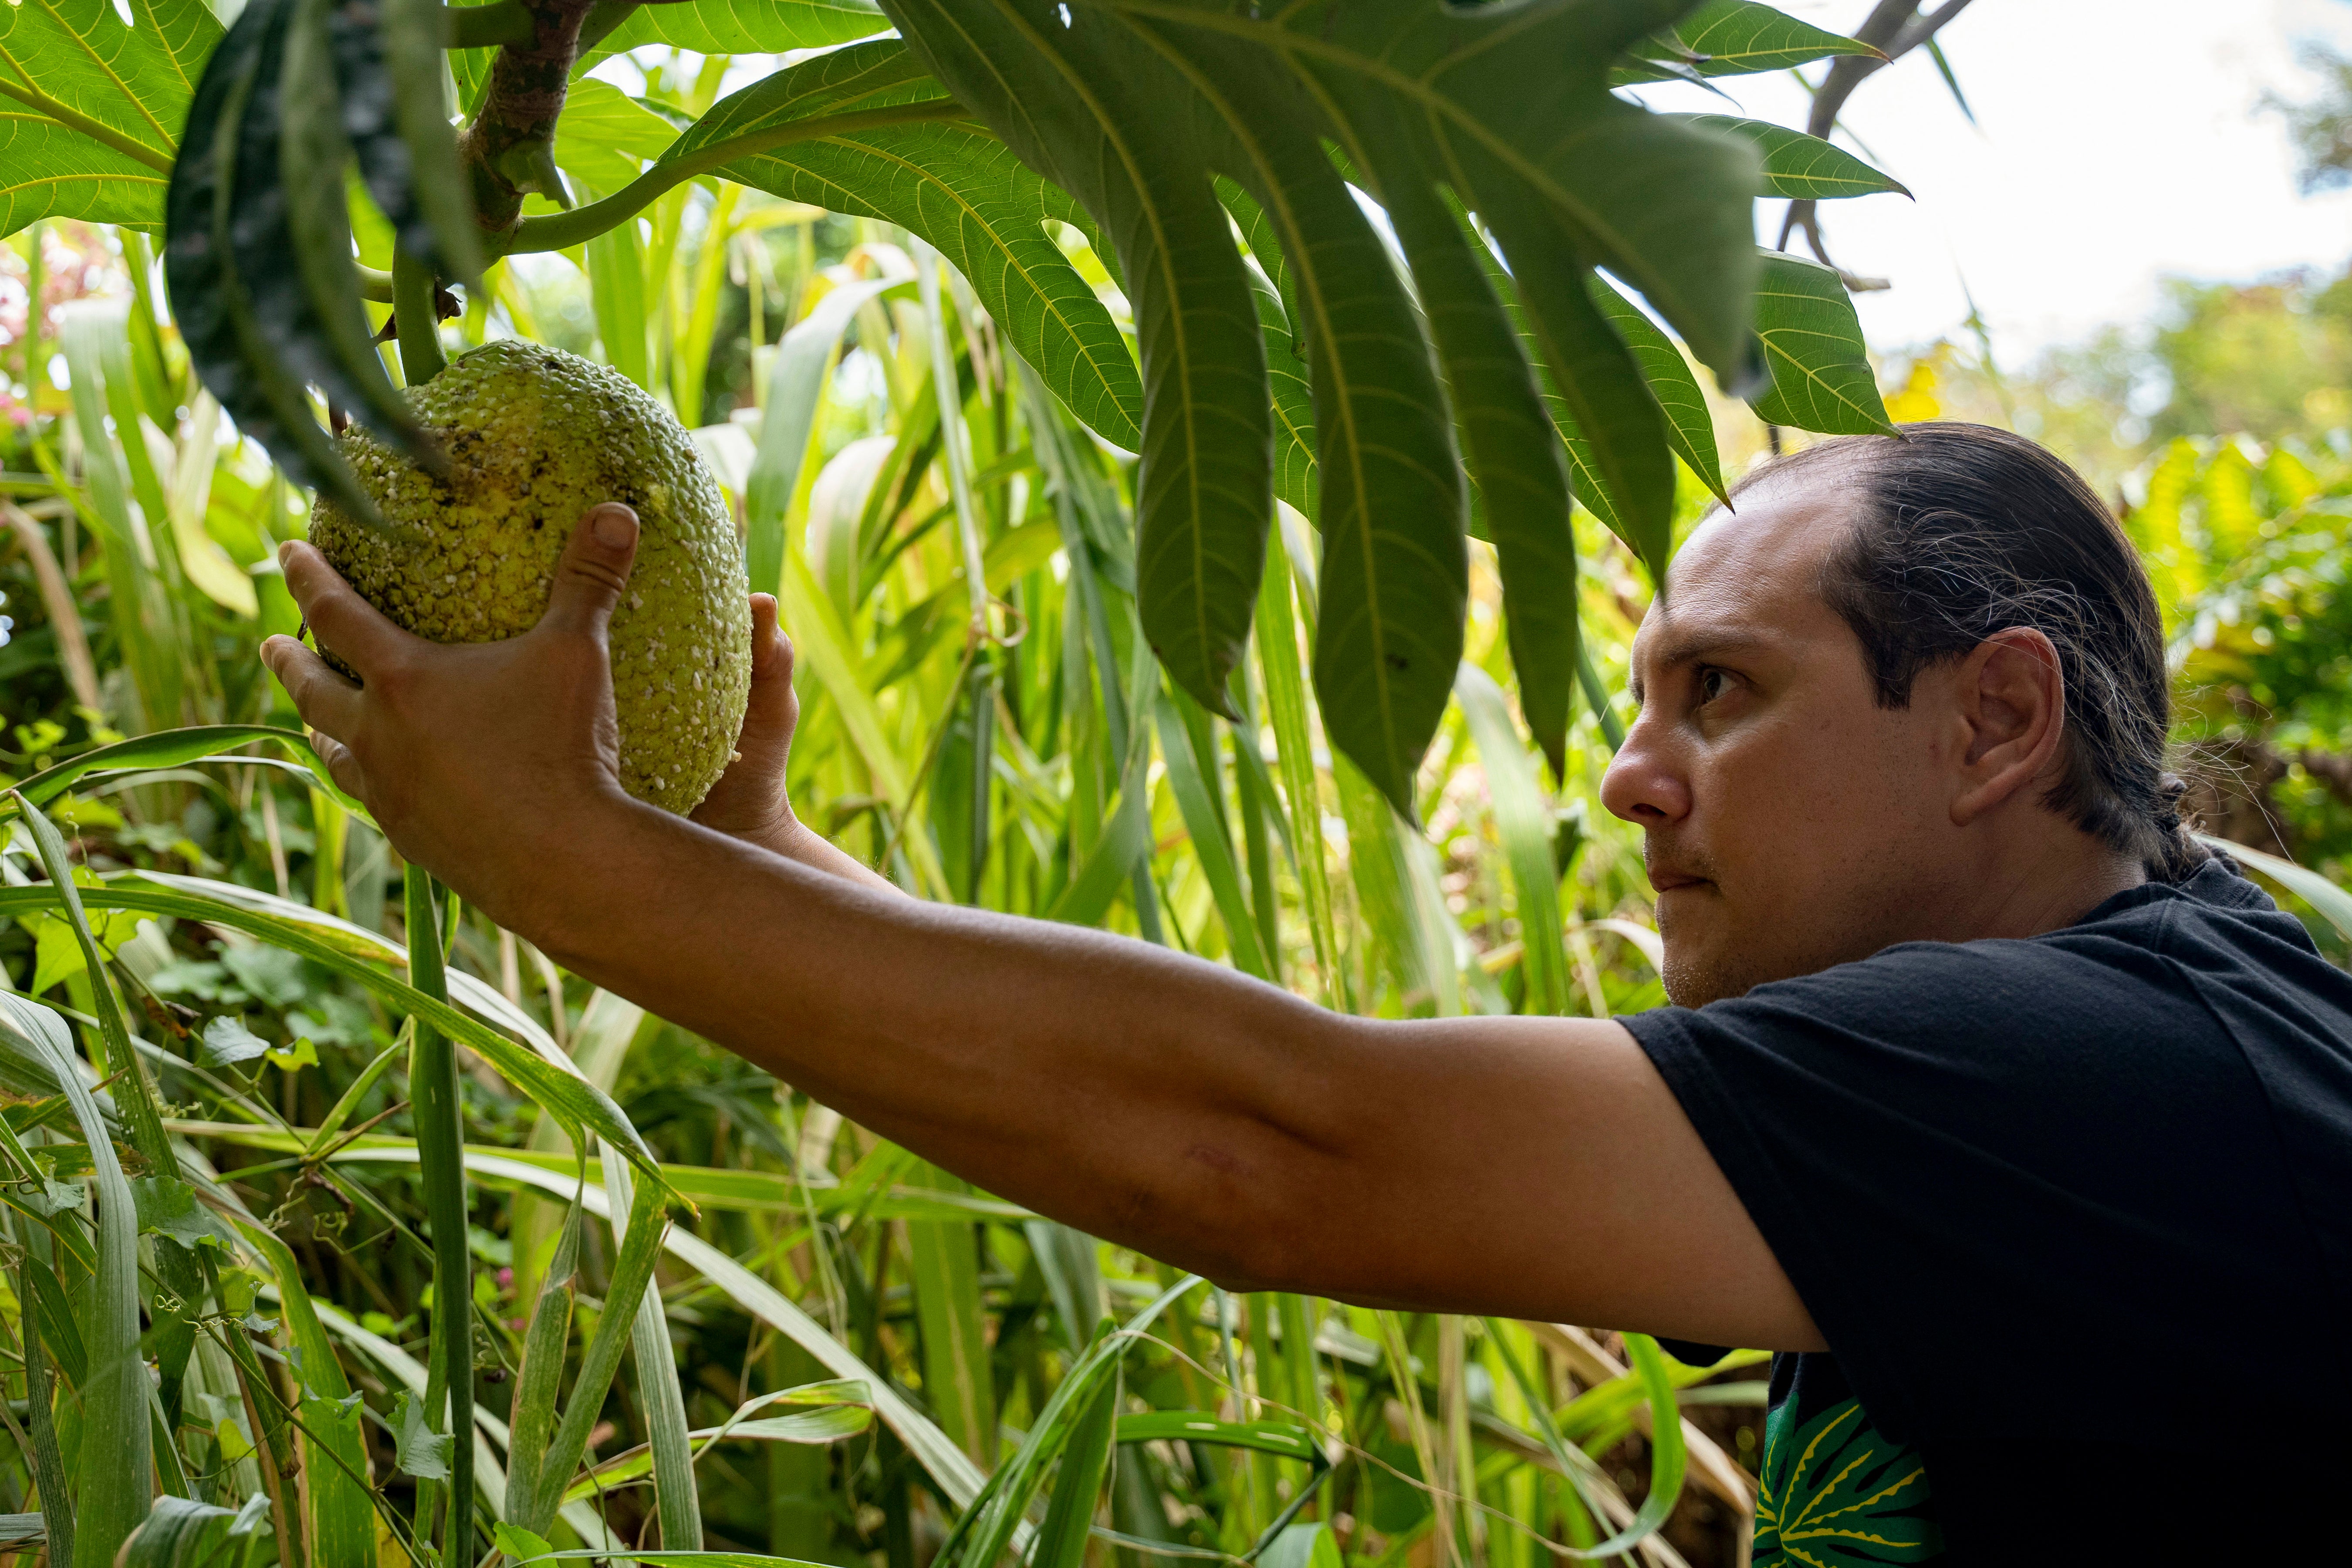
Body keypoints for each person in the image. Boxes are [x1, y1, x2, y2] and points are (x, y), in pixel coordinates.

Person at [261, 422, 2352, 1565]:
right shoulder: (2085, 1063)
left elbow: (1280, 1148)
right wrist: (750, 867)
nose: (1628, 778)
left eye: (1721, 691)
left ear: (1996, 721)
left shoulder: (2115, 1073)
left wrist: (582, 870)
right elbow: (1290, 1095)